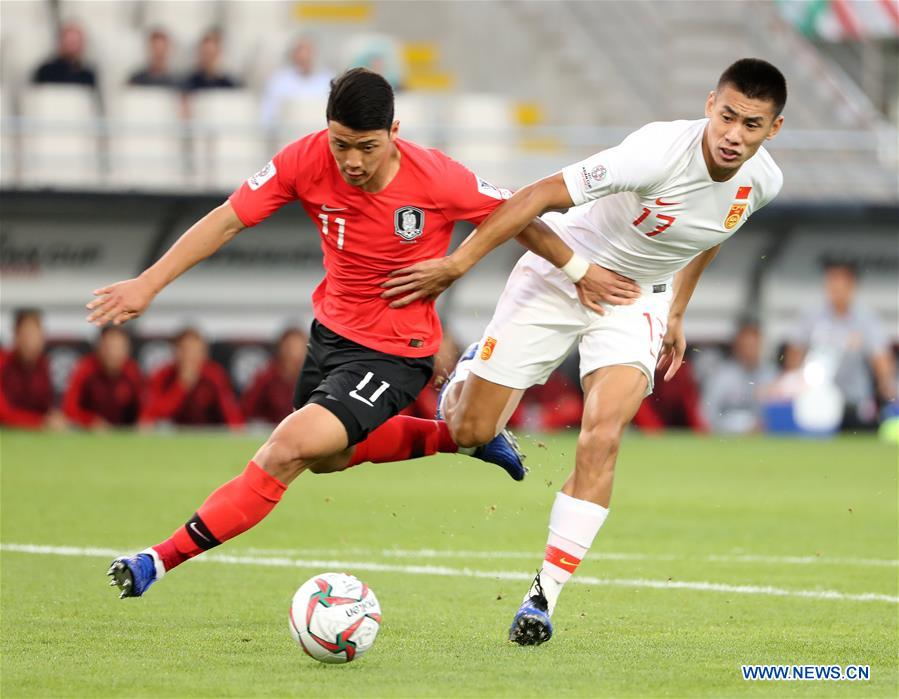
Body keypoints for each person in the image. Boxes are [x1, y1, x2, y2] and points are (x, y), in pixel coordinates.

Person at [88, 68, 623, 599]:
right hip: (330, 336)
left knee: (286, 450)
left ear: (395, 132)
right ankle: (457, 438)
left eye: (365, 147)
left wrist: (575, 271)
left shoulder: (437, 177)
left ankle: (157, 559)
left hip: (396, 350)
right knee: (326, 457)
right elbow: (229, 218)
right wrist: (147, 283)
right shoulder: (304, 159)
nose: (351, 161)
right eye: (341, 144)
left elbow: (518, 215)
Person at [384, 58, 786, 645]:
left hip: (635, 301)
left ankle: (542, 596)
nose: (734, 135)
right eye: (727, 116)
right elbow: (540, 193)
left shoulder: (764, 181)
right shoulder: (655, 152)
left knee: (604, 433)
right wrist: (457, 264)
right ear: (709, 105)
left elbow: (712, 231)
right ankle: (474, 372)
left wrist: (675, 307)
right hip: (564, 270)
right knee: (468, 429)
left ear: (772, 130)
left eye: (752, 124)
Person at [782, 260, 896, 429]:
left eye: (839, 282)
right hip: (818, 398)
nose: (834, 288)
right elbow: (794, 353)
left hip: (853, 399)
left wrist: (886, 384)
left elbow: (880, 356)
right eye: (830, 281)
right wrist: (792, 385)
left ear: (851, 286)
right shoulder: (812, 315)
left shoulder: (866, 318)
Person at [139, 328, 243, 429]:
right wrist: (181, 386)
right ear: (176, 352)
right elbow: (149, 417)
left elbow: (231, 414)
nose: (191, 357)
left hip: (207, 436)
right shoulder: (163, 375)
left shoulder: (214, 375)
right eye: (187, 351)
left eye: (197, 351)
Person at [703, 319, 777, 433]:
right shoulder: (722, 375)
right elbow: (707, 412)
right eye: (746, 345)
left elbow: (776, 413)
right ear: (737, 346)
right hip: (726, 437)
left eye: (753, 345)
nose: (750, 350)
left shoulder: (770, 374)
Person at [63, 326, 143, 429]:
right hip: (88, 434)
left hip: (123, 434)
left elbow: (145, 407)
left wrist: (143, 420)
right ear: (99, 347)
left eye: (118, 348)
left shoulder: (132, 371)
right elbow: (69, 407)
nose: (112, 353)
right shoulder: (85, 368)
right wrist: (90, 421)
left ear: (127, 350)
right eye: (108, 347)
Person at [0, 309, 67, 430]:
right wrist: (39, 422)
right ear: (15, 336)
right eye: (26, 334)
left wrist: (54, 416)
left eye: (35, 334)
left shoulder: (44, 365)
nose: (31, 341)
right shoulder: (2, 363)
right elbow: (3, 414)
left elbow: (47, 406)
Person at [259, 36, 332, 127]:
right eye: (300, 51)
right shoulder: (279, 80)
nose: (304, 56)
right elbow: (268, 113)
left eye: (308, 51)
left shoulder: (328, 79)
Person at [241, 327, 308, 424]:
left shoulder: (313, 378)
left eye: (299, 348)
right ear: (280, 348)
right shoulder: (267, 375)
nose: (293, 353)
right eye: (290, 347)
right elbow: (247, 407)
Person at [631, 360, 708, 432]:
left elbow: (689, 404)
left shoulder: (680, 370)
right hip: (642, 428)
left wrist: (700, 431)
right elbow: (638, 405)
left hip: (674, 422)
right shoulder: (640, 369)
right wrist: (655, 432)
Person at [33, 22, 97, 87]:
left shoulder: (87, 75)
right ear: (61, 42)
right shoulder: (46, 72)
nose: (73, 47)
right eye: (70, 42)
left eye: (76, 42)